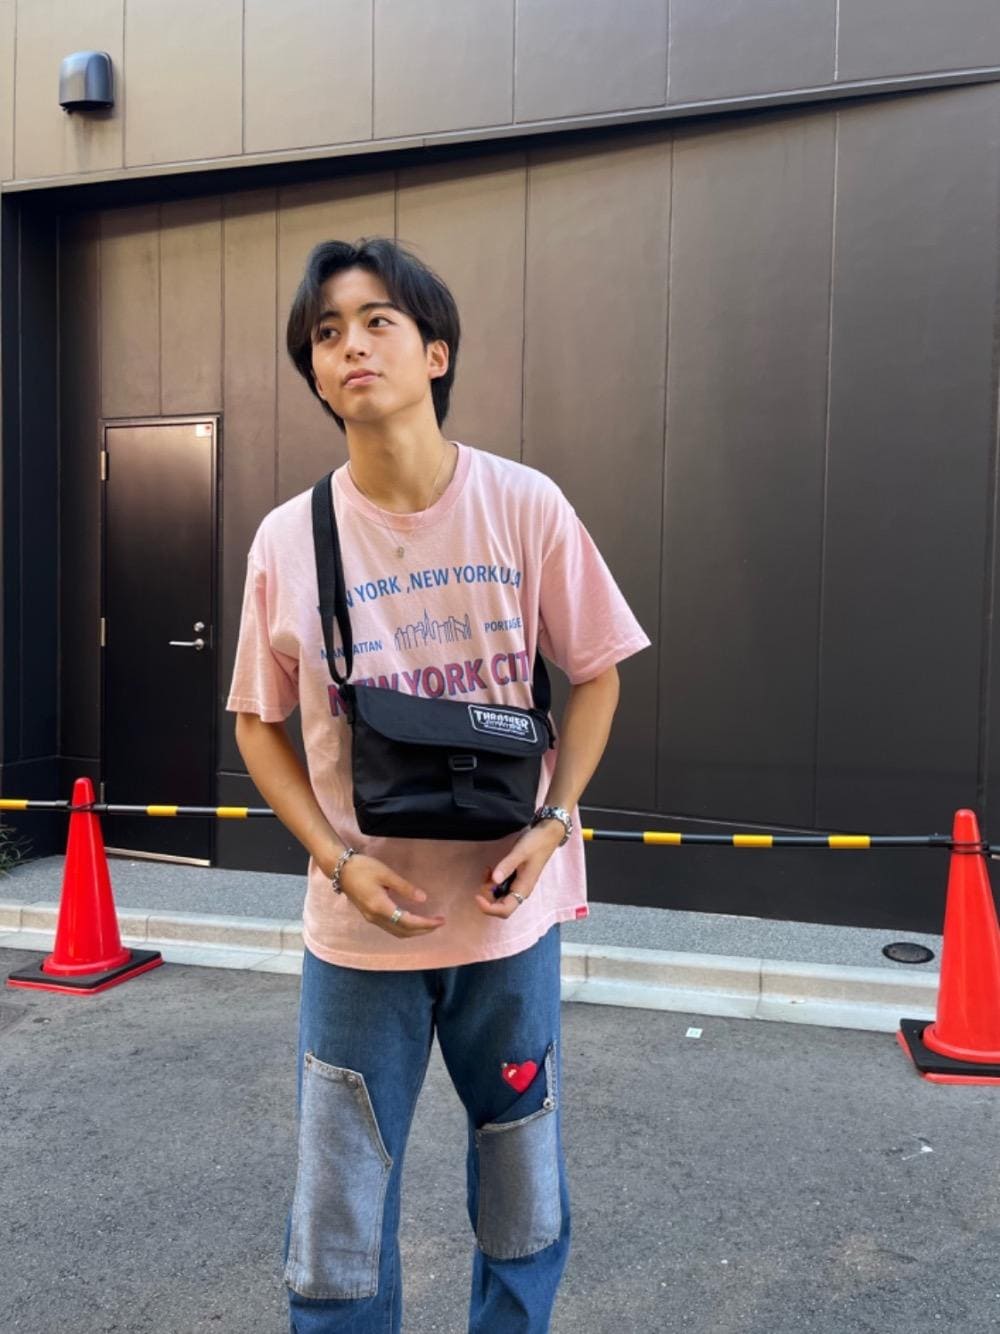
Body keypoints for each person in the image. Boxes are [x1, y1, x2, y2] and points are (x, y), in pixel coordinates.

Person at [226, 236, 652, 1333]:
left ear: (435, 352)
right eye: (326, 333)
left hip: (508, 918)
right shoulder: (288, 539)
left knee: (520, 1182)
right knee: (337, 1207)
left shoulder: (524, 505)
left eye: (378, 320)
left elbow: (598, 670)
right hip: (357, 931)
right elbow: (257, 724)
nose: (351, 345)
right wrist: (339, 861)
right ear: (316, 376)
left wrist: (555, 821)